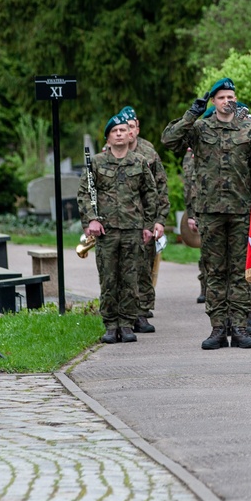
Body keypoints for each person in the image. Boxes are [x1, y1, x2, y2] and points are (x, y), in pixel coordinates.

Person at [161, 78, 251, 349]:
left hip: (241, 211)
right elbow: (169, 140)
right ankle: (218, 327)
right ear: (213, 102)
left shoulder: (249, 130)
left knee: (240, 271)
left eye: (231, 96)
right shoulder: (201, 128)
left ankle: (239, 326)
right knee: (215, 270)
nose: (228, 100)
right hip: (210, 211)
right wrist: (193, 112)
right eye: (222, 97)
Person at [78, 112, 159, 344]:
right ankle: (111, 325)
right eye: (115, 131)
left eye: (123, 130)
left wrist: (147, 225)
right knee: (109, 279)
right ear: (108, 138)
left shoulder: (139, 162)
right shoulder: (96, 162)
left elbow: (149, 194)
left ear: (129, 133)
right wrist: (91, 220)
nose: (120, 134)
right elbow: (84, 193)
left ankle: (127, 323)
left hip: (133, 229)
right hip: (107, 230)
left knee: (131, 279)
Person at [120, 106, 169, 333]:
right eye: (124, 127)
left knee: (144, 268)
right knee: (122, 269)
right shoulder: (109, 152)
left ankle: (141, 312)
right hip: (120, 221)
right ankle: (123, 314)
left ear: (137, 128)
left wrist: (159, 220)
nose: (128, 132)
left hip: (145, 220)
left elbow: (161, 187)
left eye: (131, 127)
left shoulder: (149, 152)